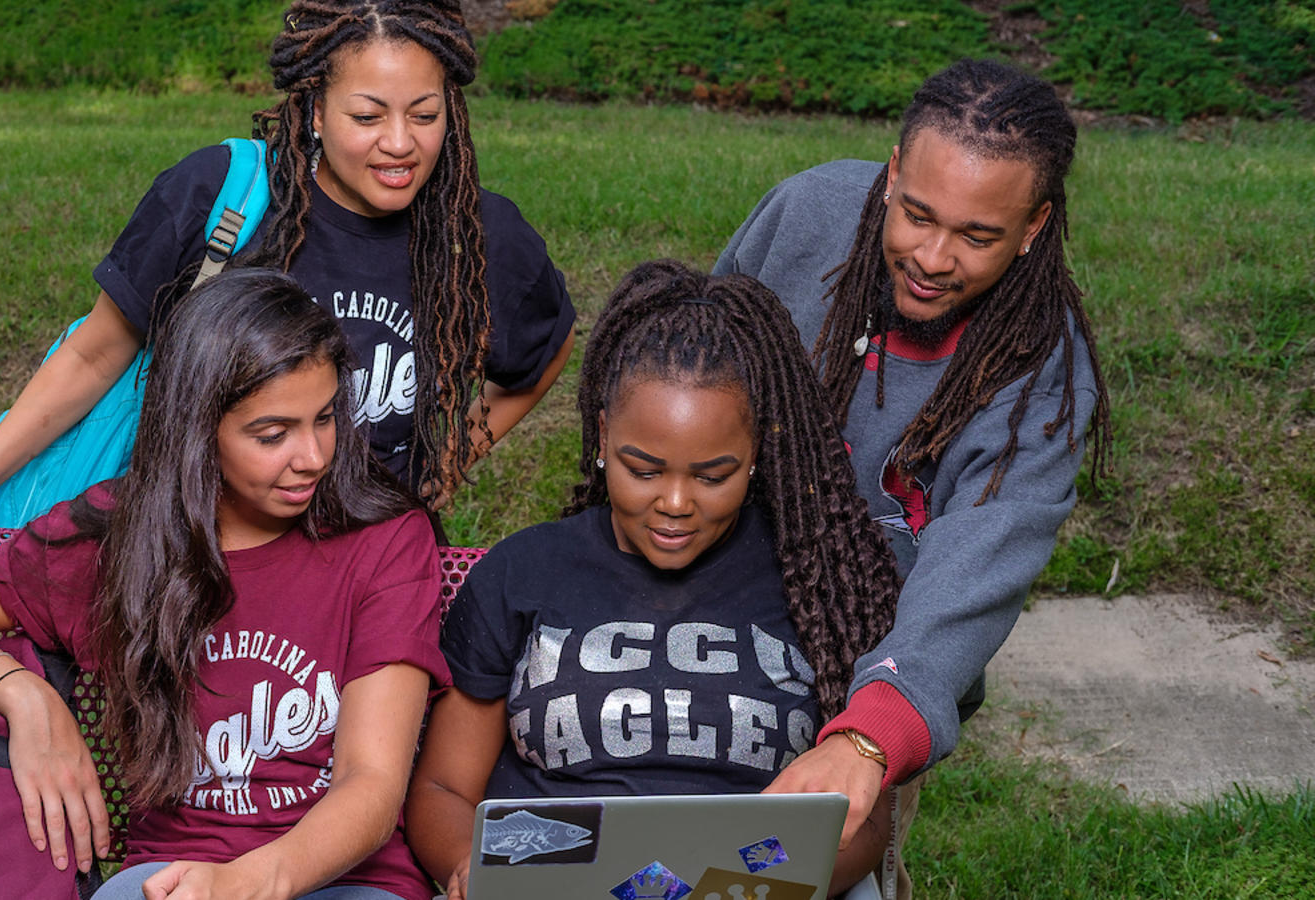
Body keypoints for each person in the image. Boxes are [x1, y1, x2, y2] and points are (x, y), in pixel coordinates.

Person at [0, 0, 577, 565]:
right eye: (368, 114)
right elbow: (95, 355)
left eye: (425, 113)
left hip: (362, 572)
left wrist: (440, 470)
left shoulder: (480, 236)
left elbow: (543, 352)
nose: (400, 143)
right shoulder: (220, 196)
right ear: (314, 108)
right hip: (188, 562)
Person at [0, 268, 450, 900]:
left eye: (323, 419)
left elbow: (370, 789)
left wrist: (246, 884)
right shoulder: (115, 537)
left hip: (348, 880)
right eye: (272, 434)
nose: (314, 456)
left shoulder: (383, 540)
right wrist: (26, 699)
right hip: (171, 878)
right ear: (197, 431)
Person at [712, 57, 1113, 891]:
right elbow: (687, 376)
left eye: (977, 236)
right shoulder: (806, 212)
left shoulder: (1044, 368)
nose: (932, 257)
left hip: (878, 665)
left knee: (821, 871)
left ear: (1034, 226)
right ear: (893, 173)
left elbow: (979, 563)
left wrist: (868, 737)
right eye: (917, 214)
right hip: (716, 613)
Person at [403, 259, 905, 900]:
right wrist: (468, 867)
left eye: (712, 475)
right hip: (558, 885)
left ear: (755, 454)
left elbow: (864, 825)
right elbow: (443, 788)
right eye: (643, 469)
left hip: (751, 885)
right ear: (605, 436)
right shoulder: (525, 573)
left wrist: (768, 885)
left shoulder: (817, 584)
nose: (674, 502)